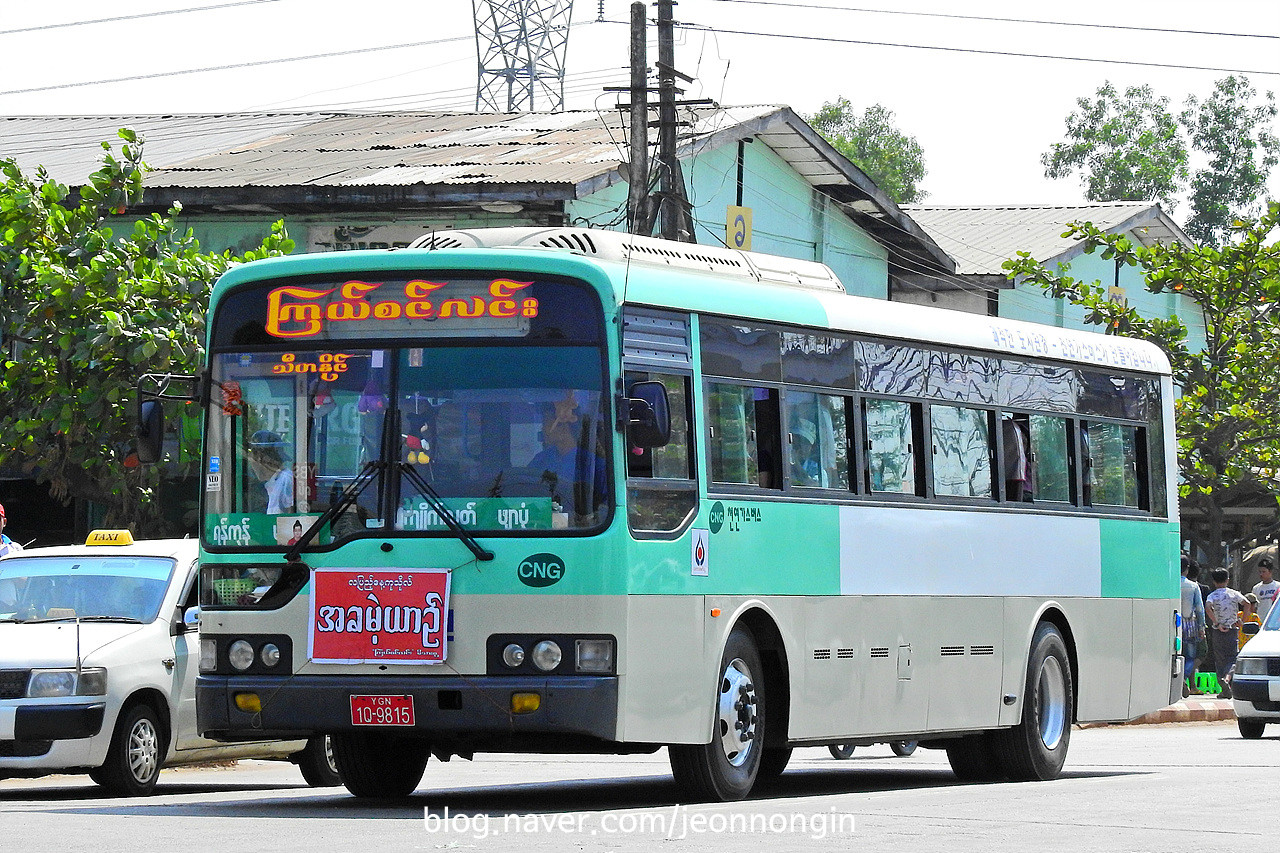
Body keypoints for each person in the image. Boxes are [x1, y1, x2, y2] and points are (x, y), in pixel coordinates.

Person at [528, 393, 607, 518]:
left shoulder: (594, 465)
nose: (542, 429)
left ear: (563, 428)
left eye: (545, 423)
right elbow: (527, 491)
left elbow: (603, 511)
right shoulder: (540, 460)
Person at [1205, 567, 1252, 699]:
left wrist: (1216, 622)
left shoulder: (1212, 595)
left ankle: (1223, 685)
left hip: (1218, 631)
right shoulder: (1234, 594)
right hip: (1232, 629)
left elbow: (1208, 607)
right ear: (1228, 580)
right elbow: (1247, 603)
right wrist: (1242, 621)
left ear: (1214, 581)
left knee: (1220, 659)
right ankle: (1227, 679)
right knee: (1232, 658)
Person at [247, 431, 295, 514]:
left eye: (251, 455)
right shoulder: (271, 483)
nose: (250, 462)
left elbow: (291, 517)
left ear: (259, 457)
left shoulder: (286, 480)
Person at [1180, 556, 1206, 696]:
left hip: (1173, 624)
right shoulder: (1193, 586)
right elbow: (1199, 608)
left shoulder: (1170, 585)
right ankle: (1184, 678)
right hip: (1189, 624)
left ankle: (1177, 681)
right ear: (1187, 569)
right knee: (1190, 656)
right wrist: (1202, 627)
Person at [790, 418, 824, 486]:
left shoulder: (817, 470)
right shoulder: (783, 464)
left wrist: (796, 465)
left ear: (812, 447)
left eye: (805, 442)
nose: (800, 446)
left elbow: (814, 487)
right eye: (797, 440)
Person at [1252, 557, 1279, 622]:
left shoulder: (1278, 586)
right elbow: (1253, 608)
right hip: (1260, 622)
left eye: (1264, 572)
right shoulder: (1256, 588)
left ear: (1270, 572)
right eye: (1260, 572)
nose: (1261, 574)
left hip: (1274, 622)